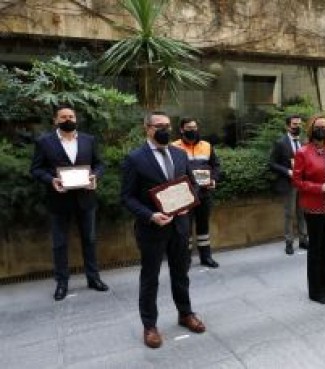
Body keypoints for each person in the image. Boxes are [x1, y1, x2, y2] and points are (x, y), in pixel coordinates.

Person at [121, 111, 206, 349]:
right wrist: (150, 215)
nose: (165, 130)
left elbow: (193, 185)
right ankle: (150, 326)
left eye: (168, 126)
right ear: (147, 128)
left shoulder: (179, 154)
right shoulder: (135, 159)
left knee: (181, 273)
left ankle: (185, 314)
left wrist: (187, 203)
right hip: (152, 229)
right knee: (150, 278)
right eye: (160, 126)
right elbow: (126, 197)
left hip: (180, 226)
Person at [30, 104, 109, 301]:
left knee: (89, 240)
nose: (68, 120)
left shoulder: (88, 140)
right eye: (63, 117)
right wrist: (51, 180)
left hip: (86, 199)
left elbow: (99, 164)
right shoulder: (44, 142)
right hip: (59, 200)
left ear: (76, 118)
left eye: (71, 116)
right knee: (59, 243)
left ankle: (93, 278)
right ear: (55, 120)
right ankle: (62, 283)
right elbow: (36, 169)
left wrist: (95, 176)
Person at [292, 114, 325, 304]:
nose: (321, 129)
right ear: (311, 129)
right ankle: (316, 291)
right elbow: (297, 181)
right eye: (317, 126)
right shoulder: (303, 152)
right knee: (316, 249)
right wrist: (318, 188)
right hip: (314, 207)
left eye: (324, 126)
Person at [173, 117, 220, 268]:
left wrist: (213, 179)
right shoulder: (173, 147)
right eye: (188, 128)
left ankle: (206, 257)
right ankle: (185, 259)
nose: (192, 130)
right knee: (184, 229)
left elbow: (216, 165)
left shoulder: (206, 145)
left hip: (204, 193)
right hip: (184, 195)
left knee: (203, 227)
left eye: (194, 127)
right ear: (181, 129)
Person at [269, 115, 309, 255]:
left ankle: (304, 239)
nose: (297, 126)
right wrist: (287, 171)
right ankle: (289, 242)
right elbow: (272, 163)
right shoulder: (280, 142)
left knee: (303, 213)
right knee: (289, 214)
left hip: (303, 183)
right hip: (288, 183)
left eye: (299, 124)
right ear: (287, 126)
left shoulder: (304, 141)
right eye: (294, 124)